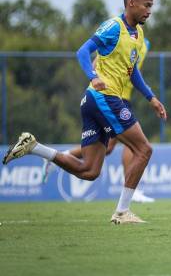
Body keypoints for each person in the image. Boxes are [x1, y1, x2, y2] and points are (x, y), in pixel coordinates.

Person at [3, 0, 167, 224]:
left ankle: (34, 147)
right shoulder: (114, 26)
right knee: (144, 149)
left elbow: (132, 73)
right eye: (147, 5)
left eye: (151, 6)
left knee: (89, 171)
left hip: (94, 102)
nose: (150, 11)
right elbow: (82, 51)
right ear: (131, 3)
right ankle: (122, 212)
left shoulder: (138, 35)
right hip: (104, 98)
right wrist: (93, 76)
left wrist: (151, 97)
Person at [41, 38, 156, 203]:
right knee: (139, 147)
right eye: (146, 9)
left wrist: (147, 93)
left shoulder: (144, 42)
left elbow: (134, 70)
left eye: (149, 9)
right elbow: (96, 62)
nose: (147, 11)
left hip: (122, 98)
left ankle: (56, 157)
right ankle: (129, 194)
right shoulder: (118, 35)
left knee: (112, 148)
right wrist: (95, 82)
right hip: (111, 99)